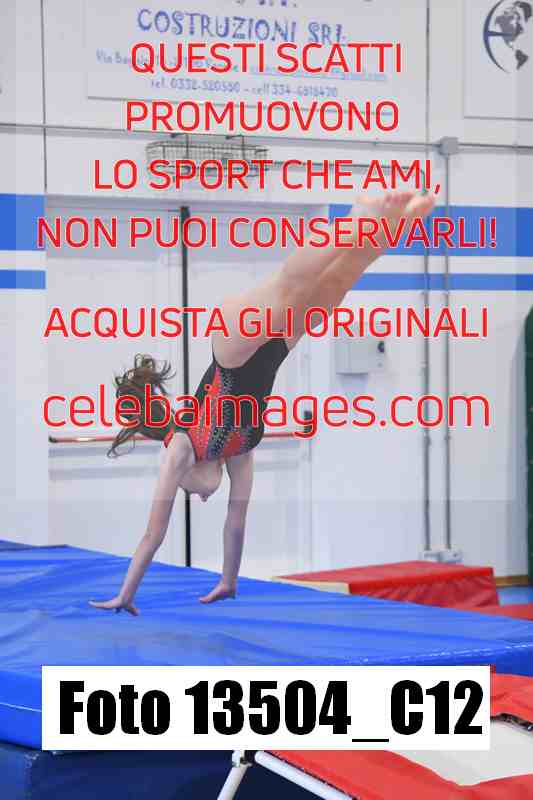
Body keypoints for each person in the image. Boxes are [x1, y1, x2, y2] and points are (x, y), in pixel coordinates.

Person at [90, 191, 435, 613]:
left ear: (184, 474)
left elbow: (152, 536)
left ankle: (357, 217)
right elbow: (236, 522)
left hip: (232, 350)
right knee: (340, 279)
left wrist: (125, 595)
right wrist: (228, 580)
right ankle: (397, 221)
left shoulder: (179, 448)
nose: (201, 498)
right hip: (276, 350)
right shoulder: (241, 451)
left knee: (290, 285)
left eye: (190, 493)